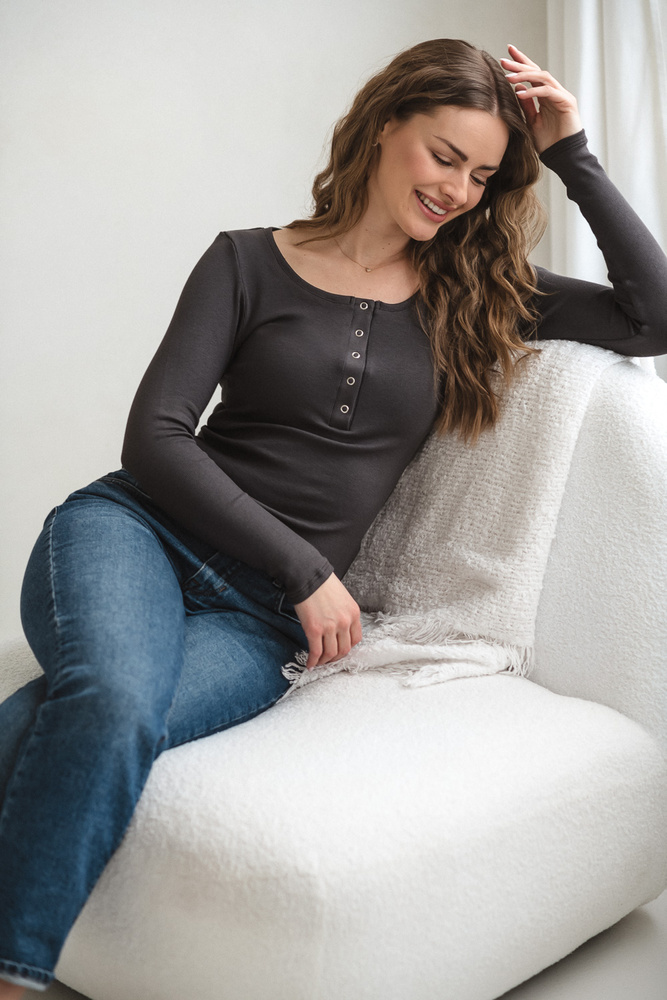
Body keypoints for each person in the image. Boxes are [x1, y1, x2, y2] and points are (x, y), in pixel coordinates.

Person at [1, 37, 666, 996]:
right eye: (444, 156)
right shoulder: (243, 262)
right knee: (110, 696)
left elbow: (652, 318)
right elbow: (156, 438)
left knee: (100, 710)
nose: (457, 191)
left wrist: (572, 152)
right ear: (384, 125)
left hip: (259, 621)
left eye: (480, 176)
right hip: (135, 534)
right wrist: (307, 568)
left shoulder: (474, 290)